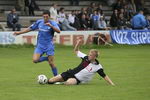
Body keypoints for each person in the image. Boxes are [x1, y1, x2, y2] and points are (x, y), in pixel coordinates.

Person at [47, 38, 115, 85]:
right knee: (50, 81)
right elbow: (76, 51)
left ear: (95, 57)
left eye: (91, 55)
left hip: (77, 79)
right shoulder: (85, 58)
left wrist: (112, 84)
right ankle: (48, 81)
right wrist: (78, 44)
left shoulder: (98, 67)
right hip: (70, 72)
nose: (89, 55)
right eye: (89, 54)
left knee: (68, 83)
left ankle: (60, 82)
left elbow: (104, 76)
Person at [13, 10, 60, 76]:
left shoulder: (53, 23)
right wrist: (19, 33)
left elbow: (58, 31)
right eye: (44, 17)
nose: (45, 18)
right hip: (40, 45)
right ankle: (47, 58)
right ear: (42, 16)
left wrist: (51, 26)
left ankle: (56, 78)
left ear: (49, 16)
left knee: (51, 63)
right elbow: (30, 28)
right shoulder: (39, 22)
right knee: (35, 60)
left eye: (46, 17)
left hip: (49, 45)